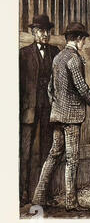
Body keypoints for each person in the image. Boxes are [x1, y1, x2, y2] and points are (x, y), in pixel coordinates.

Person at [32, 22, 90, 212]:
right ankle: (71, 201)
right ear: (79, 39)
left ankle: (38, 196)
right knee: (72, 158)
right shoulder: (74, 59)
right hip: (71, 116)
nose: (84, 43)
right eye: (84, 40)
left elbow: (50, 88)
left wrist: (57, 105)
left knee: (54, 154)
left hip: (57, 114)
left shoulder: (58, 57)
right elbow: (82, 87)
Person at [19, 14, 60, 206]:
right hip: (28, 110)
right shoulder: (23, 53)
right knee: (25, 153)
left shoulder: (55, 51)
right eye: (41, 31)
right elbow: (18, 85)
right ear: (34, 33)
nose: (45, 34)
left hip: (49, 110)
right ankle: (23, 194)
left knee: (48, 152)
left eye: (47, 31)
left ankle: (46, 193)